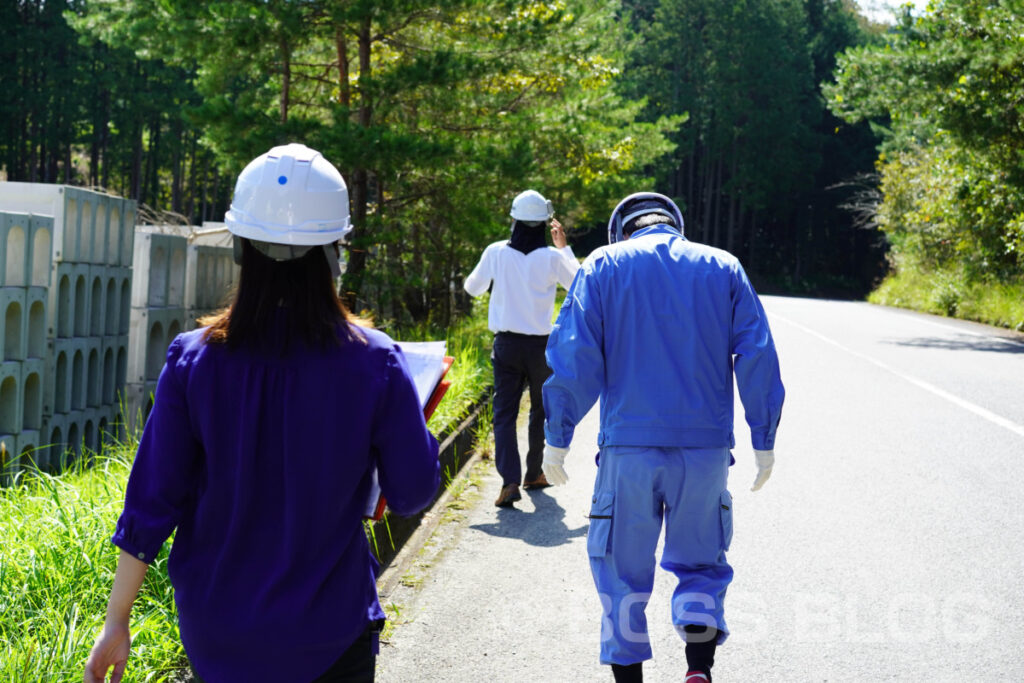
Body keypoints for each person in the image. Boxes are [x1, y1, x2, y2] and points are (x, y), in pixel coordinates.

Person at [84, 143, 440, 683]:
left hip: (218, 637)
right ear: (333, 255)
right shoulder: (376, 362)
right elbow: (413, 491)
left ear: (240, 251)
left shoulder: (193, 358)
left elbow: (151, 502)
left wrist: (117, 623)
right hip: (329, 633)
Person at [541, 192, 784, 683]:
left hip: (628, 451)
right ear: (674, 223)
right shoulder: (724, 267)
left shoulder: (602, 266)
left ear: (622, 229)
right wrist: (764, 439)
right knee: (700, 564)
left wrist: (557, 436)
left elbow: (574, 356)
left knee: (621, 573)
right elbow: (757, 354)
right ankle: (698, 671)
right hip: (705, 452)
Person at [464, 189, 580, 507]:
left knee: (504, 413)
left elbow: (471, 288)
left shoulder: (496, 252)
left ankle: (509, 482)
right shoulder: (553, 257)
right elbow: (579, 286)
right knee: (541, 411)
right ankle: (535, 473)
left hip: (506, 345)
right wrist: (565, 248)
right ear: (544, 223)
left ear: (513, 219)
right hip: (542, 346)